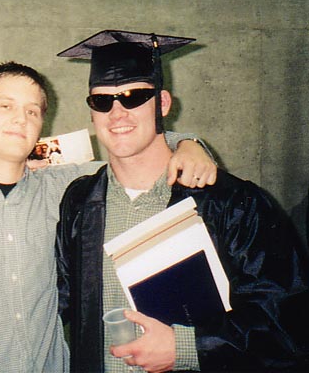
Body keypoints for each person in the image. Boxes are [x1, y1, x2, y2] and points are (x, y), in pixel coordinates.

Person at [0, 61, 218, 372]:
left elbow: (135, 154)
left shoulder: (65, 189)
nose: (20, 119)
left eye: (32, 111)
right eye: (5, 106)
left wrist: (187, 143)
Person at [56, 30, 309, 372]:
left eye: (133, 97)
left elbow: (287, 321)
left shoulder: (232, 203)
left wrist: (188, 346)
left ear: (162, 103)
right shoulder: (80, 201)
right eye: (102, 101)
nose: (117, 113)